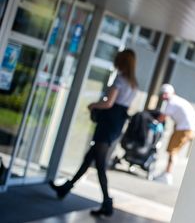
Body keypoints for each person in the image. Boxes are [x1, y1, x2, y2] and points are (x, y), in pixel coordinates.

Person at [49, 49, 138, 217]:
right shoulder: (133, 84)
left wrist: (93, 105)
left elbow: (109, 103)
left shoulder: (120, 80)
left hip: (108, 123)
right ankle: (65, 188)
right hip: (116, 124)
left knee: (99, 164)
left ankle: (107, 202)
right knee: (89, 158)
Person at [154, 84, 195, 185]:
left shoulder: (172, 102)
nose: (164, 96)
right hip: (191, 128)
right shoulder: (178, 100)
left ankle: (167, 175)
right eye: (163, 94)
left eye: (166, 94)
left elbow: (162, 118)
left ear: (171, 93)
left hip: (184, 129)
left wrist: (154, 122)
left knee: (172, 151)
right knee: (175, 151)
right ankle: (167, 173)